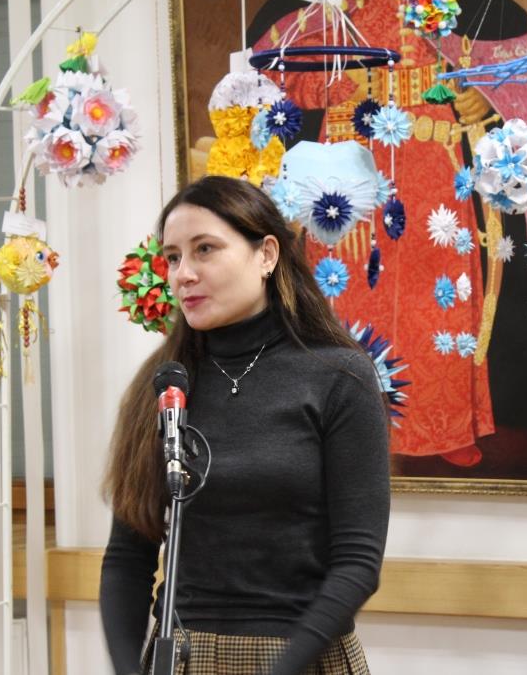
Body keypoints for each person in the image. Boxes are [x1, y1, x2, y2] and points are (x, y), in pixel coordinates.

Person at [99, 175, 391, 675]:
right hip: (184, 656)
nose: (183, 274)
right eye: (172, 257)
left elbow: (358, 563)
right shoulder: (165, 383)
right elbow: (128, 558)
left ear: (267, 255)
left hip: (303, 657)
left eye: (205, 249)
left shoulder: (339, 376)